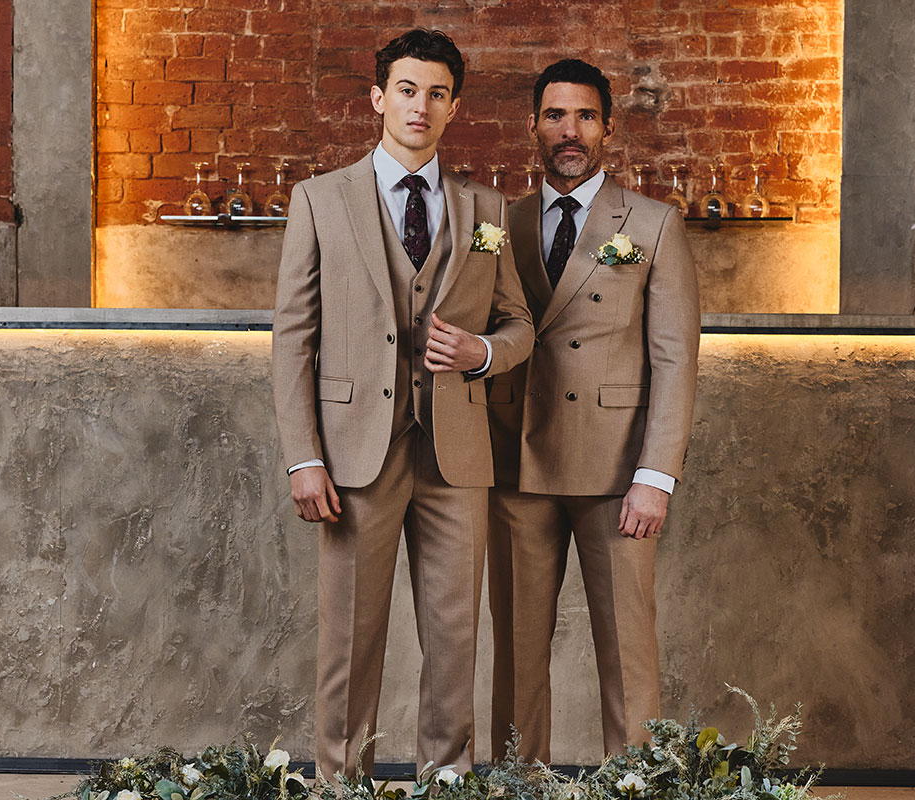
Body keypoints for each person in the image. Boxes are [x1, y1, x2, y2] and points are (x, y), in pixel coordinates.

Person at [272, 28, 533, 779]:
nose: (422, 106)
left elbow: (519, 324)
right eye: (408, 90)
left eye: (439, 93)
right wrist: (304, 456)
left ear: (455, 107)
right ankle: (338, 786)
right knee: (350, 638)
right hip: (356, 452)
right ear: (379, 98)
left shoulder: (486, 206)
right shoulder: (321, 200)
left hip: (456, 453)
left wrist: (482, 353)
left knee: (454, 638)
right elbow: (293, 338)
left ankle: (445, 785)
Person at [486, 58, 700, 762]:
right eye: (554, 115)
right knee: (516, 652)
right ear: (533, 127)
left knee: (629, 652)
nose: (568, 131)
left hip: (617, 474)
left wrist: (656, 476)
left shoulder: (653, 224)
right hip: (517, 462)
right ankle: (520, 782)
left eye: (583, 116)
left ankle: (637, 782)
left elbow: (674, 362)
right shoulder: (501, 224)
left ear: (607, 128)